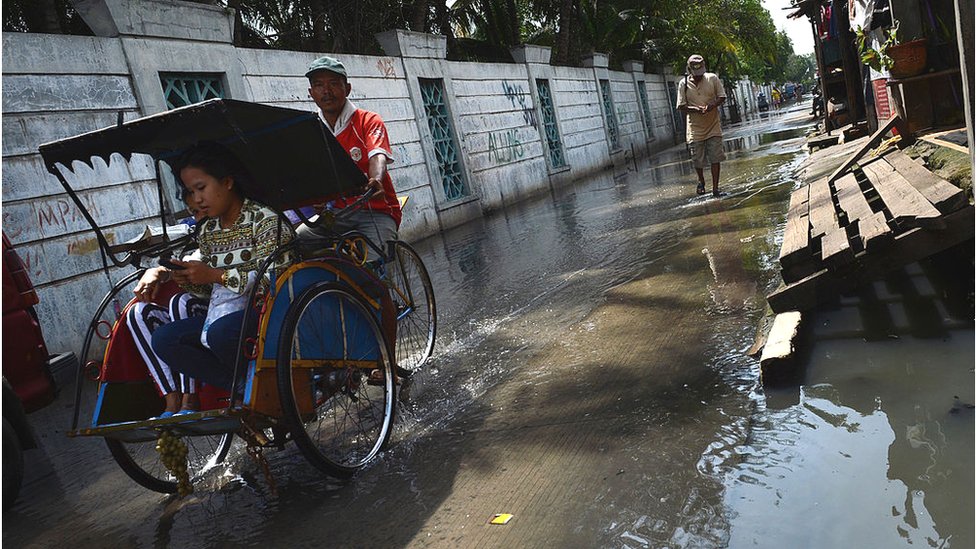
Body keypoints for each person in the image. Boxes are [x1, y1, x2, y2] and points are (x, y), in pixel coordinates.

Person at [151, 142, 295, 393]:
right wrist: (188, 277)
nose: (197, 199)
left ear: (227, 182)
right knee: (164, 339)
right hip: (223, 316)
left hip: (268, 312)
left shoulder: (265, 220)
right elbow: (211, 292)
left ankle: (264, 385)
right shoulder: (208, 230)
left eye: (201, 188)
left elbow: (275, 279)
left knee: (220, 333)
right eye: (190, 191)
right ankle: (239, 386)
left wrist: (215, 275)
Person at [297, 55, 402, 256]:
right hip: (338, 215)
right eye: (319, 85)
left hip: (377, 211)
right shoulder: (312, 130)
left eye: (334, 84)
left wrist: (376, 179)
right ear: (311, 93)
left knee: (373, 267)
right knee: (297, 241)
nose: (326, 91)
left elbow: (377, 155)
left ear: (348, 88)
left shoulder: (368, 120)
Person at [127, 199, 209, 418]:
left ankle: (189, 397)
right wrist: (158, 270)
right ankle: (170, 398)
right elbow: (183, 259)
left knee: (182, 303)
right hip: (195, 315)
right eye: (194, 211)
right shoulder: (195, 230)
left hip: (220, 310)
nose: (199, 215)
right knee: (138, 313)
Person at [676, 54, 727, 197]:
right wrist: (697, 109)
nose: (699, 76)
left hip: (713, 126)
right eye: (695, 74)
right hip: (695, 128)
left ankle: (716, 189)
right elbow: (681, 106)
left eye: (700, 73)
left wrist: (712, 106)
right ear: (689, 70)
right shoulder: (683, 84)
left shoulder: (712, 78)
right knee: (697, 159)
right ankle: (701, 180)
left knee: (715, 157)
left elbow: (722, 97)